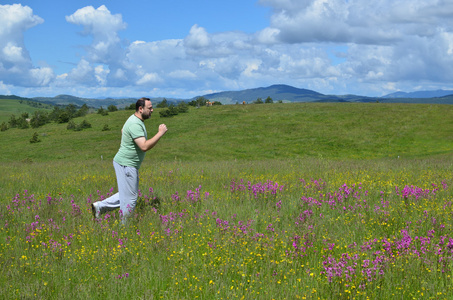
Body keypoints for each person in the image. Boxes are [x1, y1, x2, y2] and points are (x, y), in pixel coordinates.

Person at [91, 97, 167, 224]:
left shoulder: (134, 120)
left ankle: (100, 207)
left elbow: (123, 130)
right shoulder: (135, 123)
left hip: (124, 163)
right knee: (131, 199)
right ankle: (124, 228)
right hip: (127, 164)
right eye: (150, 108)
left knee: (126, 194)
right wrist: (160, 133)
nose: (152, 110)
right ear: (141, 109)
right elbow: (144, 146)